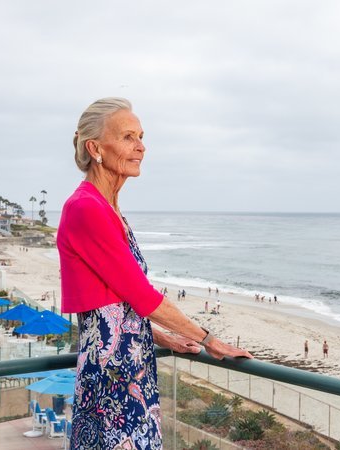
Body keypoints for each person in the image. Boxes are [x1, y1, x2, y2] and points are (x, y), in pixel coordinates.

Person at [58, 97, 252, 450]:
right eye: (128, 137)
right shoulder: (86, 208)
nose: (141, 147)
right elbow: (143, 297)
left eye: (141, 136)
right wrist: (210, 339)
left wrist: (167, 339)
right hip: (113, 373)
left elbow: (117, 304)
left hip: (132, 364)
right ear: (95, 147)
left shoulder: (108, 207)